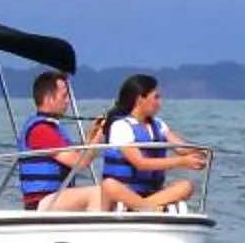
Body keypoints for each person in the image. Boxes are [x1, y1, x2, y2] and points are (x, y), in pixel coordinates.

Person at [12, 71, 153, 213]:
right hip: (41, 203)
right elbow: (80, 163)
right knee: (98, 193)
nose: (68, 101)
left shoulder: (50, 127)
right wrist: (100, 136)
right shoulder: (41, 130)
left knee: (108, 191)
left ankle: (142, 207)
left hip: (54, 199)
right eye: (64, 96)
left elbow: (77, 158)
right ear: (49, 99)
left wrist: (90, 138)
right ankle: (149, 210)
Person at [96, 74, 209, 213]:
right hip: (126, 193)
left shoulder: (159, 125)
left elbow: (181, 148)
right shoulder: (121, 127)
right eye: (156, 97)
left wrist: (201, 152)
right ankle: (148, 207)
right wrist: (182, 162)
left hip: (151, 192)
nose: (160, 103)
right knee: (109, 185)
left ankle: (143, 207)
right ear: (140, 99)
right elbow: (140, 163)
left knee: (186, 186)